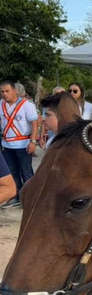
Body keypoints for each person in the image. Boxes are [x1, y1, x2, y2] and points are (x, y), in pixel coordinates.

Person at [0, 80, 38, 208]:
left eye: (7, 91)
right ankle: (16, 196)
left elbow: (34, 123)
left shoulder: (26, 105)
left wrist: (33, 141)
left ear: (14, 91)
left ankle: (31, 198)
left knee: (26, 172)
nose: (5, 94)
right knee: (12, 173)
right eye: (2, 92)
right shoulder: (1, 104)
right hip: (7, 144)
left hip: (23, 144)